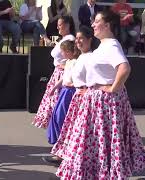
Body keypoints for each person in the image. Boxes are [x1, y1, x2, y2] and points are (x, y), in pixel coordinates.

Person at [56, 10, 145, 179]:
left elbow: (124, 68)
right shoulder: (103, 45)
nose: (93, 24)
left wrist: (112, 88)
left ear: (107, 25)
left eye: (97, 21)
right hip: (96, 100)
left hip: (104, 103)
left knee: (96, 141)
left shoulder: (111, 45)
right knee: (93, 142)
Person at [48, 26, 95, 165]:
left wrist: (87, 90)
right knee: (63, 122)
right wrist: (56, 87)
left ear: (89, 40)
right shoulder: (79, 58)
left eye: (82, 39)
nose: (78, 41)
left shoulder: (90, 57)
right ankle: (62, 154)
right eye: (77, 39)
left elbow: (94, 78)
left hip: (78, 94)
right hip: (71, 94)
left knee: (70, 125)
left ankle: (66, 156)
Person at [32, 15, 76, 129]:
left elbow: (72, 58)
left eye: (60, 25)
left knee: (57, 102)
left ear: (67, 25)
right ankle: (54, 126)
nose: (57, 27)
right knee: (53, 100)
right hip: (57, 73)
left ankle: (58, 127)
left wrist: (65, 66)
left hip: (63, 74)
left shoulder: (70, 39)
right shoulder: (64, 39)